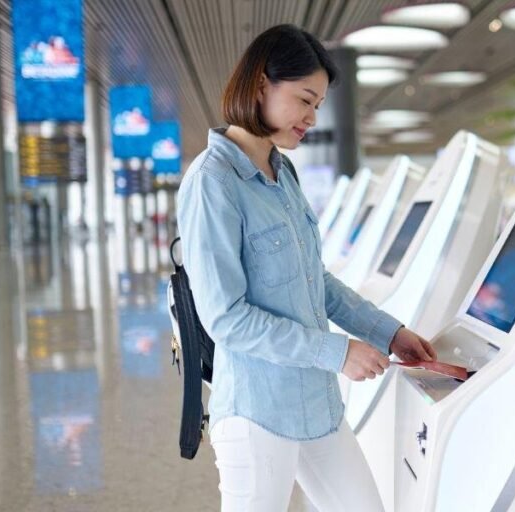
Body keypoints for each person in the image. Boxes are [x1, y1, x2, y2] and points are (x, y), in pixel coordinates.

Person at [176, 24, 437, 512]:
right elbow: (226, 317)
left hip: (317, 405)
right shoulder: (213, 182)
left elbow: (318, 284)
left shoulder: (283, 172)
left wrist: (388, 332)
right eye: (305, 100)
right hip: (258, 413)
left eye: (317, 104)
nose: (313, 117)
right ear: (260, 87)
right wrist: (337, 352)